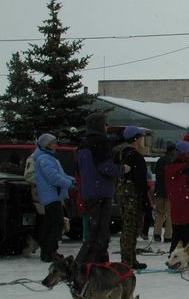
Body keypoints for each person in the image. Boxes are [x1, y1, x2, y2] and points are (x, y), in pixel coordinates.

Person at [76, 113, 129, 265]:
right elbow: (105, 167)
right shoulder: (101, 142)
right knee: (100, 234)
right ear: (99, 125)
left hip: (89, 192)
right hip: (101, 192)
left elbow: (79, 170)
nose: (107, 127)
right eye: (105, 124)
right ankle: (91, 263)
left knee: (95, 231)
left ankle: (92, 262)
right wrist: (122, 169)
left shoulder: (83, 143)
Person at [33, 133, 75, 262]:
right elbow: (53, 177)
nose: (56, 145)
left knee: (53, 225)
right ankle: (49, 252)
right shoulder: (44, 159)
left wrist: (71, 180)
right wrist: (69, 184)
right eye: (53, 143)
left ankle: (50, 251)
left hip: (53, 196)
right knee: (55, 225)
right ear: (47, 144)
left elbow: (59, 174)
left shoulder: (48, 158)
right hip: (51, 196)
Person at [115, 126, 149, 270]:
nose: (143, 139)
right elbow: (140, 180)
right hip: (132, 194)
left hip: (122, 191)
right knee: (132, 228)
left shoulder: (120, 153)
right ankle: (127, 260)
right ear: (135, 138)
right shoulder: (136, 156)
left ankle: (129, 258)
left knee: (127, 226)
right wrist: (146, 199)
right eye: (141, 137)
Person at [153, 142, 176, 243]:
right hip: (169, 192)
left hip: (159, 191)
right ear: (173, 151)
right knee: (170, 214)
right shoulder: (172, 161)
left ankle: (157, 233)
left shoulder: (160, 160)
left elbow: (156, 173)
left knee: (159, 214)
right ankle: (168, 235)